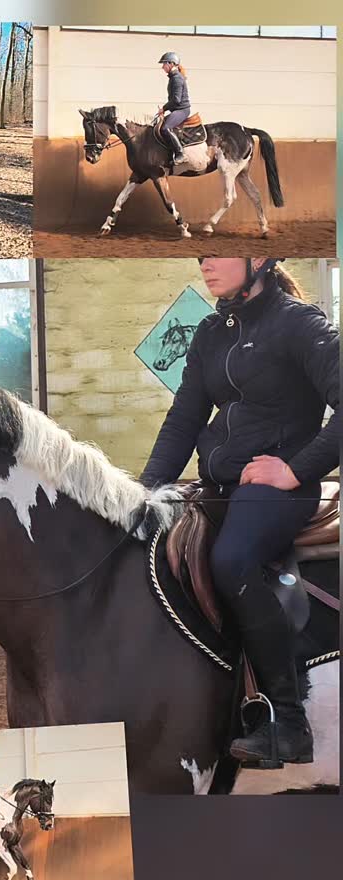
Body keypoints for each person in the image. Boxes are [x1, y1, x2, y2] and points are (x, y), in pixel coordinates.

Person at [141, 258, 339, 769]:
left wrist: (295, 470)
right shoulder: (209, 332)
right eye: (202, 254)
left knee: (231, 561)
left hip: (279, 491)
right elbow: (185, 416)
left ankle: (290, 725)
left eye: (220, 253)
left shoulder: (299, 323)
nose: (206, 263)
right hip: (220, 485)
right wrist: (145, 491)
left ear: (261, 261)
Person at [157, 51, 192, 165]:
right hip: (177, 109)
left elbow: (176, 100)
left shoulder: (176, 78)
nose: (162, 67)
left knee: (165, 128)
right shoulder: (173, 77)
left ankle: (180, 154)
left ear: (171, 64)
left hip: (182, 110)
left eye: (164, 64)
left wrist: (163, 108)